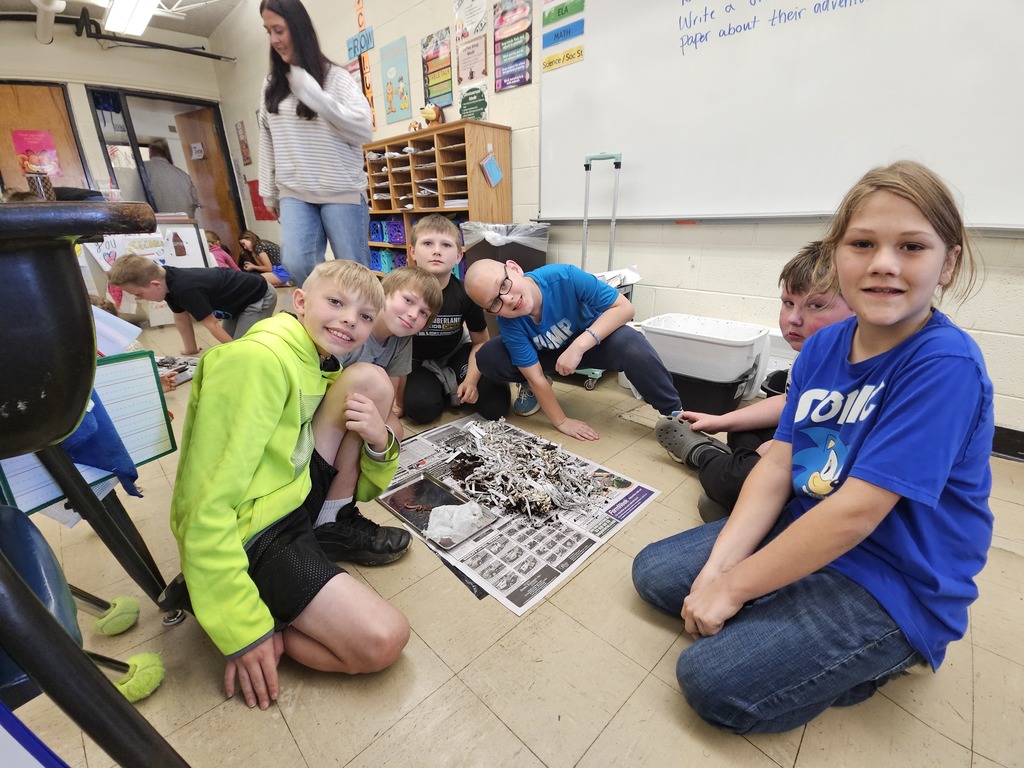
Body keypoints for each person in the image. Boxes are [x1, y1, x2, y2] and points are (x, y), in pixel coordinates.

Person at [631, 160, 993, 734]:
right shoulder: (824, 348)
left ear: (947, 264)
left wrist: (734, 589)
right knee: (654, 573)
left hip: (895, 577)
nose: (883, 264)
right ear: (837, 255)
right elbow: (779, 459)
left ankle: (887, 652)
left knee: (710, 681)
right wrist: (721, 569)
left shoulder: (943, 365)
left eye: (912, 247)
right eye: (863, 243)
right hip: (813, 522)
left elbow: (857, 514)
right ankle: (785, 603)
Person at [171, 259, 411, 712]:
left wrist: (381, 441)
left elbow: (364, 488)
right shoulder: (254, 362)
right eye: (336, 302)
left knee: (370, 381)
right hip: (259, 530)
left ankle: (330, 524)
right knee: (385, 639)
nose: (348, 321)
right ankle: (255, 606)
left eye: (363, 316)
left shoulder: (316, 357)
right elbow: (203, 504)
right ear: (299, 301)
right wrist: (243, 628)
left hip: (293, 488)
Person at [655, 241, 854, 521]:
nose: (793, 319)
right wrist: (719, 420)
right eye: (788, 303)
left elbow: (839, 444)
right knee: (742, 432)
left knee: (728, 488)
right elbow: (789, 404)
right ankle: (738, 475)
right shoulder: (810, 352)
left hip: (830, 465)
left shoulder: (859, 366)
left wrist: (777, 453)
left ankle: (702, 455)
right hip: (801, 440)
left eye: (816, 305)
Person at [464, 259, 682, 441]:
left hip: (593, 342)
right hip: (548, 353)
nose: (508, 299)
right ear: (490, 311)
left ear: (514, 268)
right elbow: (536, 376)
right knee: (489, 356)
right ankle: (528, 388)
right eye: (495, 302)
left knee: (632, 344)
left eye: (504, 285)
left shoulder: (564, 276)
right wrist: (562, 421)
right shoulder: (509, 321)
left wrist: (580, 345)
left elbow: (625, 308)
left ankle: (676, 416)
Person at [258, 0, 373, 287]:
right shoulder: (271, 83)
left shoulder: (336, 78)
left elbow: (363, 130)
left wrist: (314, 95)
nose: (274, 40)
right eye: (268, 31)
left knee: (354, 272)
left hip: (341, 189)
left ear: (298, 29)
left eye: (279, 30)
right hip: (295, 190)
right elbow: (266, 134)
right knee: (295, 262)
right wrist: (268, 191)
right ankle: (326, 318)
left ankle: (363, 327)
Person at [402, 215, 510, 423]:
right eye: (427, 243)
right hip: (417, 360)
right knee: (421, 410)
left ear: (459, 256)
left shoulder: (465, 293)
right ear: (413, 251)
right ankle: (439, 384)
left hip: (457, 352)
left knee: (496, 406)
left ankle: (453, 380)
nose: (437, 250)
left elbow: (481, 343)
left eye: (446, 245)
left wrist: (470, 381)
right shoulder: (401, 292)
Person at [337, 265, 442, 441]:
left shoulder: (403, 338)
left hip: (366, 401)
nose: (414, 315)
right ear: (383, 293)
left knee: (395, 432)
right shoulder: (354, 326)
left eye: (424, 312)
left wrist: (394, 407)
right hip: (333, 399)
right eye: (408, 300)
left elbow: (392, 383)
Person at [108, 254, 277, 355]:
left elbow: (212, 325)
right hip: (237, 301)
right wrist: (191, 349)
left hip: (258, 296)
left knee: (243, 347)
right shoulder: (166, 283)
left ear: (154, 284)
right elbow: (181, 317)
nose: (140, 298)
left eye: (139, 294)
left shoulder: (185, 289)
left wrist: (236, 352)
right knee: (231, 343)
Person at [143, 138, 200, 220]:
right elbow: (196, 201)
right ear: (167, 154)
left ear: (151, 152)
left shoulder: (143, 169)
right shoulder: (183, 175)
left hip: (160, 223)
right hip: (186, 222)